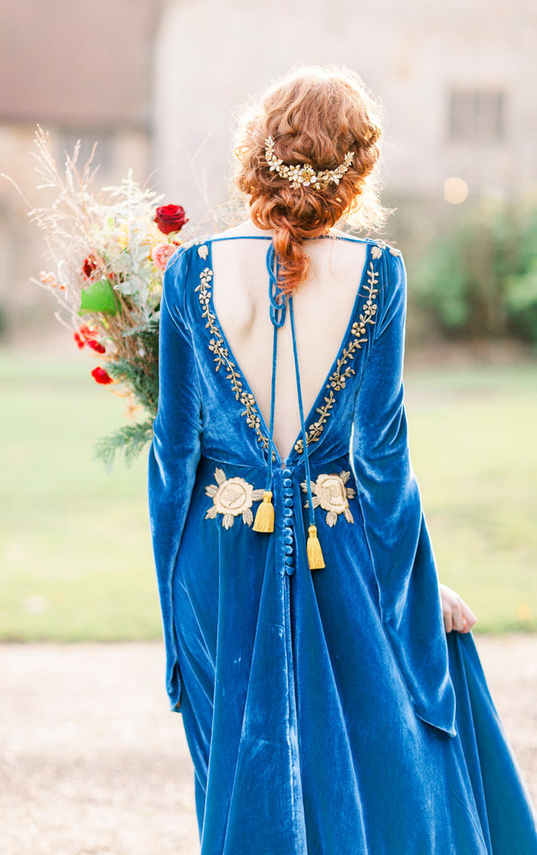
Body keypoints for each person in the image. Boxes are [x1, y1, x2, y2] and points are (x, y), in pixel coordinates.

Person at [148, 65, 537, 854]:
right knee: (355, 778)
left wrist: (173, 610)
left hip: (214, 562)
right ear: (356, 167)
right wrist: (418, 592)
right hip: (339, 557)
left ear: (258, 150)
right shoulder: (379, 274)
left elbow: (173, 456)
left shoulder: (190, 271)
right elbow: (382, 461)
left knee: (232, 779)